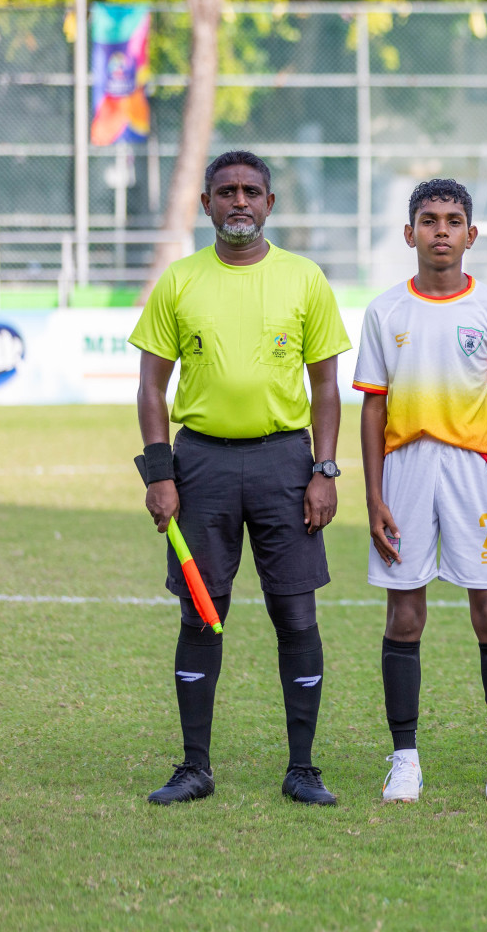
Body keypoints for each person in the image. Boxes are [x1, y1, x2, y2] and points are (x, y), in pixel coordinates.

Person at [131, 150, 350, 806]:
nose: (239, 202)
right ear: (205, 204)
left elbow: (328, 386)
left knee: (295, 612)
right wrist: (159, 471)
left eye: (251, 191)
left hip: (286, 460)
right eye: (225, 191)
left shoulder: (304, 279)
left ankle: (303, 768)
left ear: (271, 203)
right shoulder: (179, 281)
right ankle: (195, 766)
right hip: (201, 464)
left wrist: (324, 469)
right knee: (201, 612)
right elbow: (150, 383)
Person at [353, 179, 487, 804]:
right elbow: (372, 411)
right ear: (409, 234)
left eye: (454, 221)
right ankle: (404, 759)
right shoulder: (385, 311)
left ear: (472, 235)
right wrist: (373, 496)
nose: (442, 231)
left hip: (475, 472)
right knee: (404, 614)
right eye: (429, 220)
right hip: (404, 470)